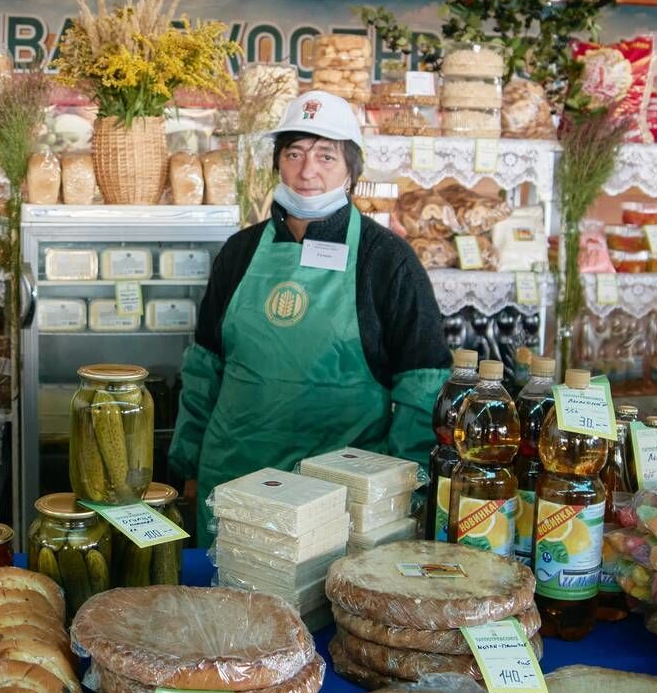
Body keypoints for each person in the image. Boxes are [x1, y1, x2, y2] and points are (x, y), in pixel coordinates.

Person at [168, 90, 450, 545]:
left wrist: (400, 489)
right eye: (294, 153)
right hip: (234, 482)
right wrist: (187, 467)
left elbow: (423, 388)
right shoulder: (240, 252)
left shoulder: (387, 260)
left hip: (341, 499)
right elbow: (204, 372)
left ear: (351, 171)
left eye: (326, 156)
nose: (308, 171)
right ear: (277, 162)